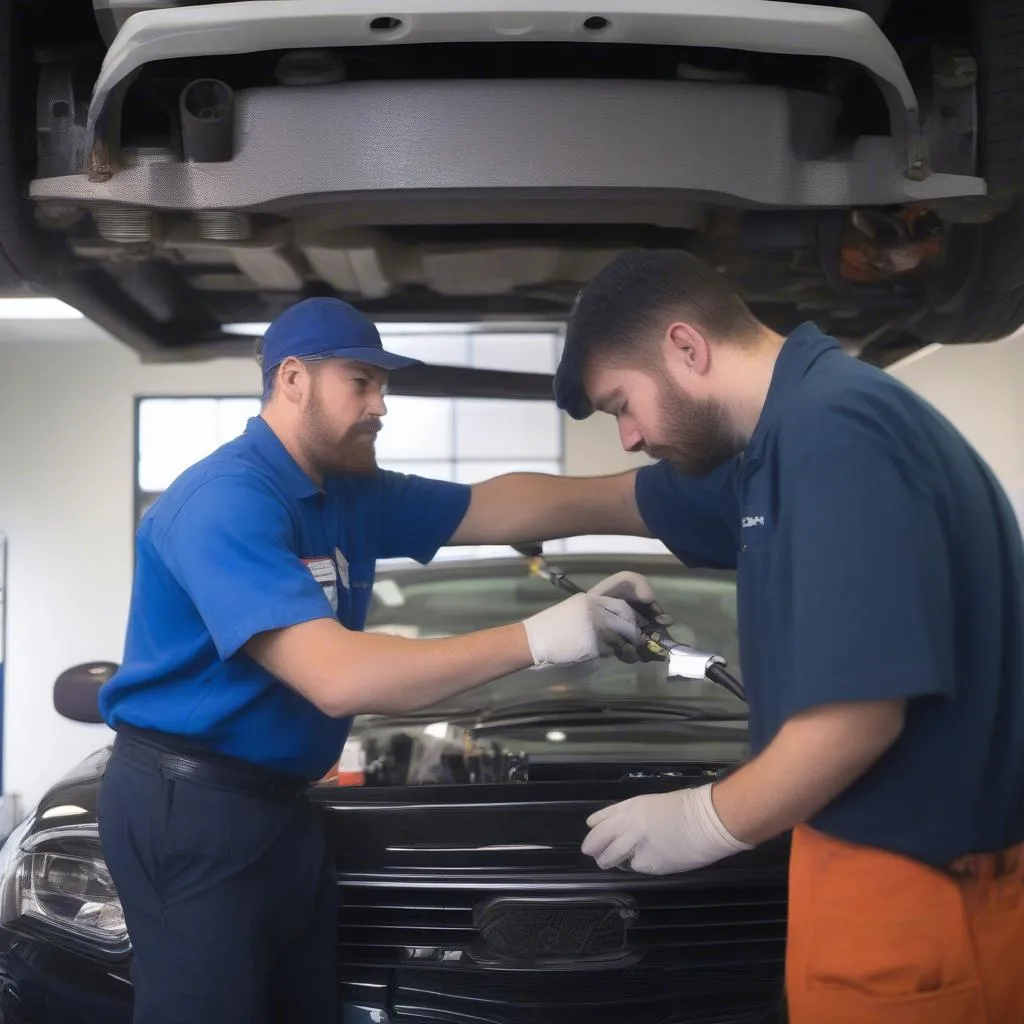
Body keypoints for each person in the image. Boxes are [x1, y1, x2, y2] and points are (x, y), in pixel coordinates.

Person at [96, 297, 648, 1024]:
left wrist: (669, 501)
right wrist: (541, 637)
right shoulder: (224, 501)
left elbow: (497, 506)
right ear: (292, 380)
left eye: (383, 385)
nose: (381, 405)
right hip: (188, 808)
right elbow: (338, 677)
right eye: (362, 382)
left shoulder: (347, 491)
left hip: (280, 805)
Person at [535, 248, 1024, 1023]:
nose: (626, 435)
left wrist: (704, 820)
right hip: (868, 877)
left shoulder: (836, 434)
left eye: (622, 403)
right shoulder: (778, 446)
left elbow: (857, 718)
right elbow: (571, 504)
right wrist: (379, 505)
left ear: (686, 347)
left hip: (919, 899)